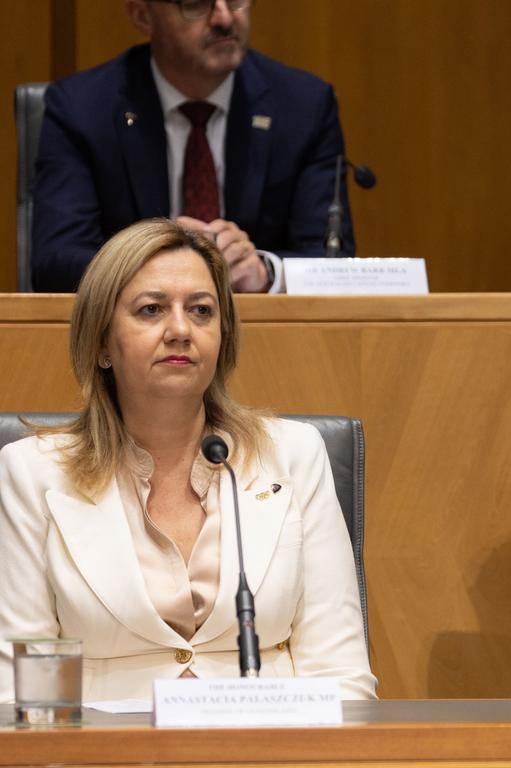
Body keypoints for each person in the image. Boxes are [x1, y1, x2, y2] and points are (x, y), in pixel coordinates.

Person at [0, 219, 376, 702]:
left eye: (200, 310)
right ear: (100, 343)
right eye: (151, 310)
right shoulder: (32, 471)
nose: (180, 330)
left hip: (266, 751)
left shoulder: (292, 455)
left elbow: (341, 673)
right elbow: (18, 690)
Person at [32, 0, 354, 294]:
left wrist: (265, 271)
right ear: (143, 16)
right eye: (196, 4)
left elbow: (331, 259)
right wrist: (152, 260)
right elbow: (55, 261)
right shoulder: (82, 109)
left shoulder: (304, 107)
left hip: (265, 338)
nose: (225, 18)